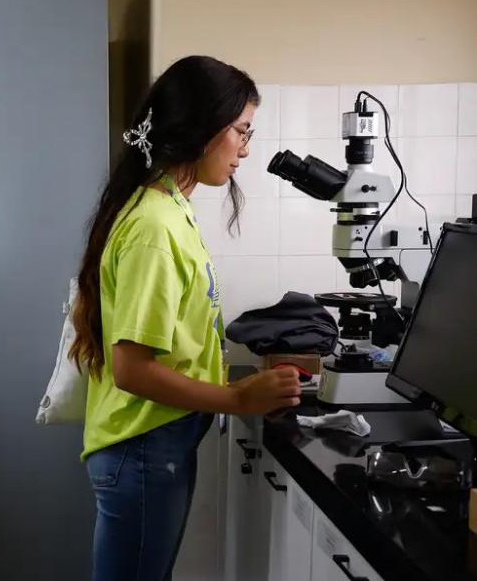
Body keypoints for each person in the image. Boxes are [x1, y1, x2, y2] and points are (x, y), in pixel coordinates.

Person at [69, 55, 302, 581]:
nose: (246, 148)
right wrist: (237, 398)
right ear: (202, 129)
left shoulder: (171, 209)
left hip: (153, 445)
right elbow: (130, 367)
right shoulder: (154, 224)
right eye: (241, 131)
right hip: (142, 447)